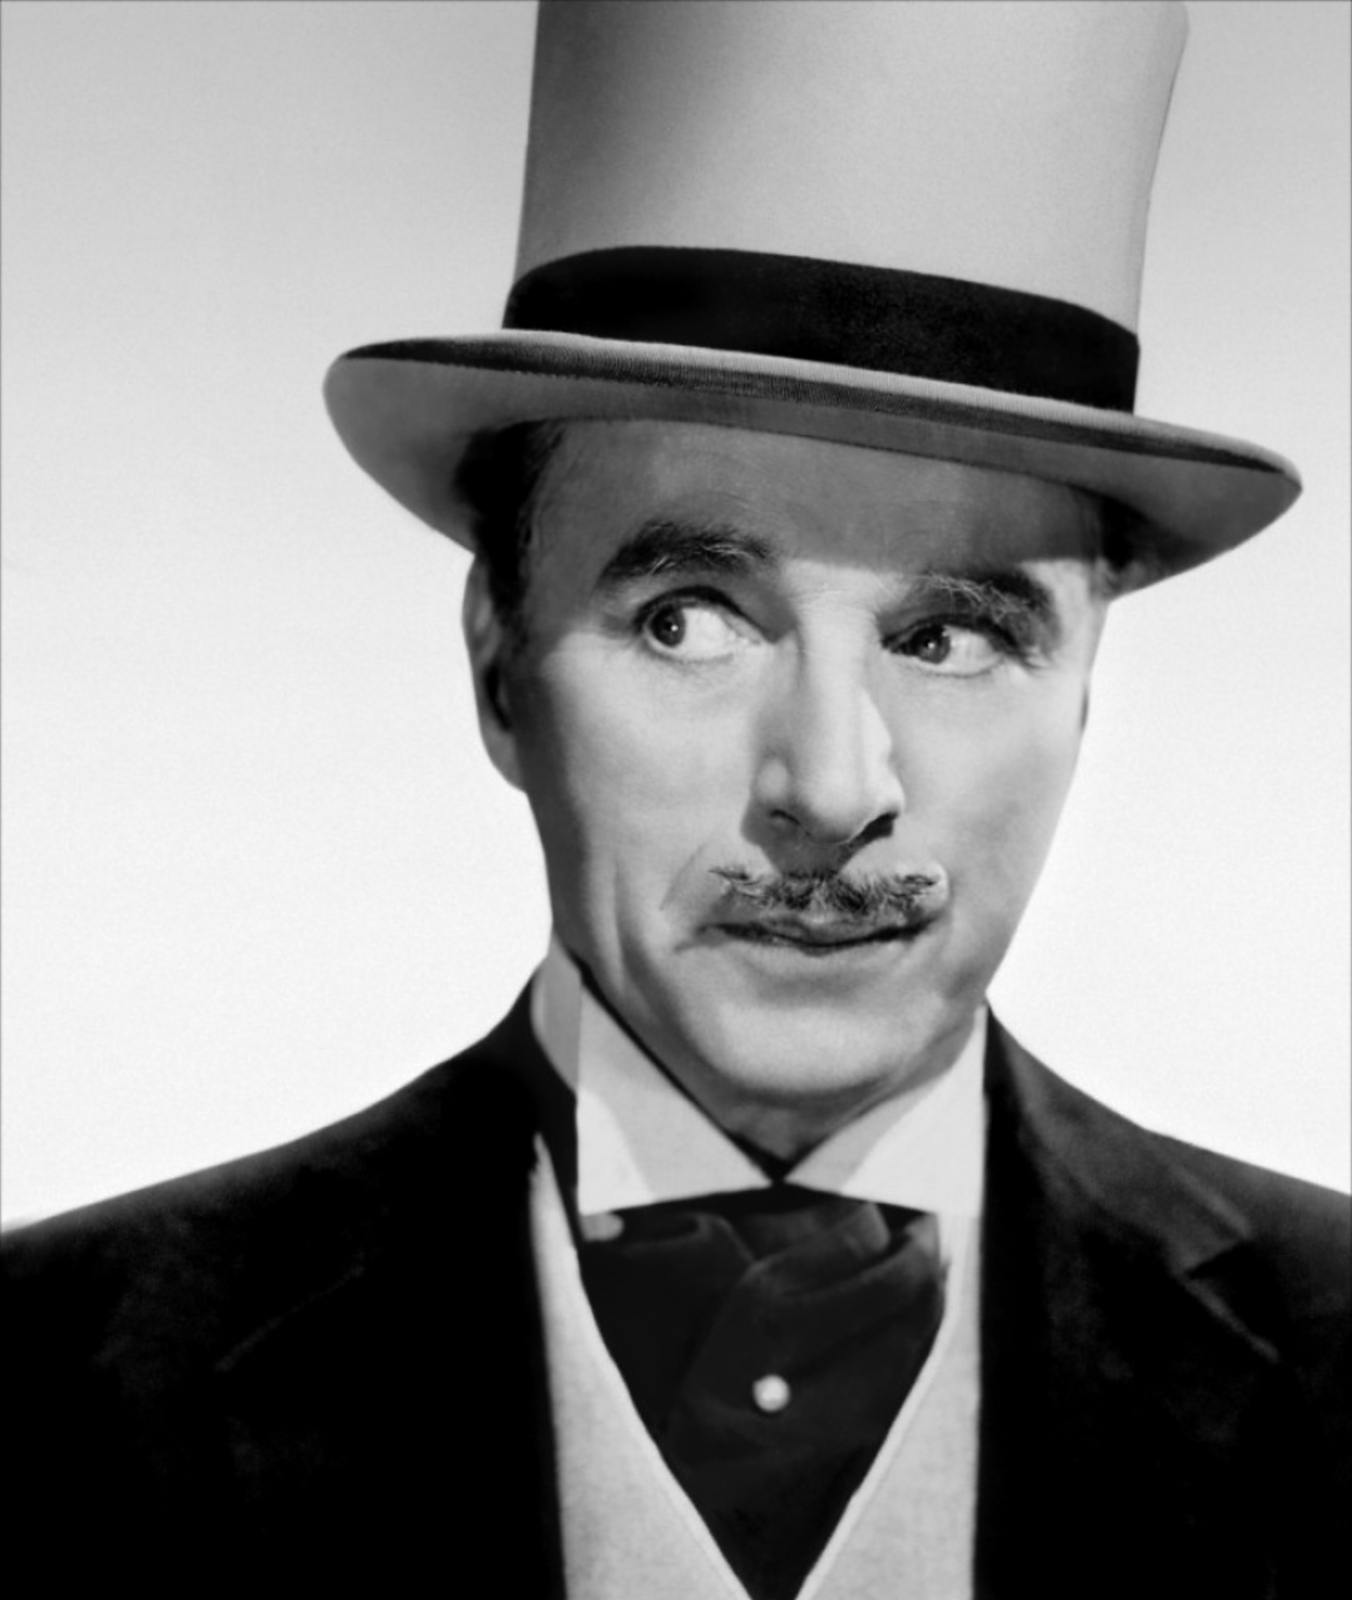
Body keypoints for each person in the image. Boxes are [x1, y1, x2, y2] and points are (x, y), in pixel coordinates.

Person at [4, 4, 1346, 1597]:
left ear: (1088, 688)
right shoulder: (43, 1385)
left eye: (952, 636)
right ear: (499, 666)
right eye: (688, 618)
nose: (832, 790)